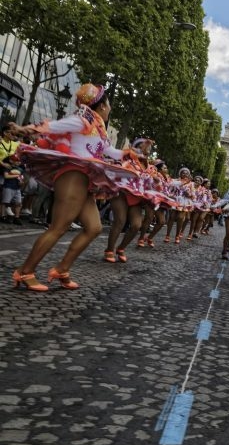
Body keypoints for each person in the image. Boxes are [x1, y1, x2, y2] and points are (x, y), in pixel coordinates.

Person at [10, 83, 137, 290]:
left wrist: (128, 154)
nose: (110, 108)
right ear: (102, 105)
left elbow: (109, 152)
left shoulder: (97, 126)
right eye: (109, 104)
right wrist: (26, 129)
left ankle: (61, 269)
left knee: (94, 228)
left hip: (84, 180)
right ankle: (24, 272)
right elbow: (54, 126)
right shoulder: (82, 120)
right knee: (58, 228)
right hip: (72, 175)